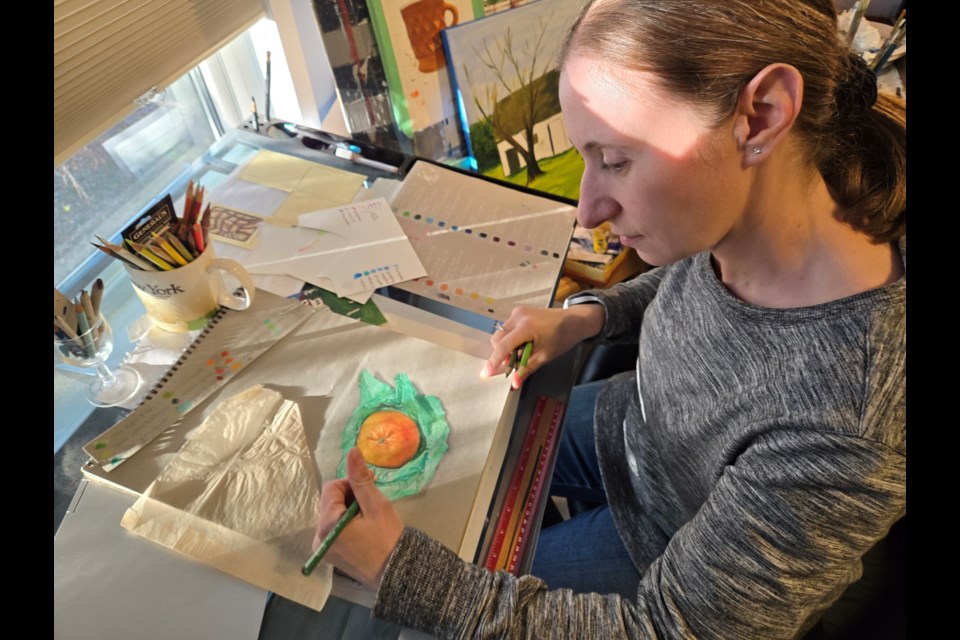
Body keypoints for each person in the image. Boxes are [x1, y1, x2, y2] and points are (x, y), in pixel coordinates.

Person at [313, 0, 906, 637]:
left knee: (431, 590)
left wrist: (396, 575)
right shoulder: (757, 213)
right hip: (637, 426)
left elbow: (667, 630)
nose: (588, 211)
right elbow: (688, 282)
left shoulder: (848, 420)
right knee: (445, 461)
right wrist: (590, 316)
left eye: (616, 161)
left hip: (664, 543)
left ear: (760, 117)